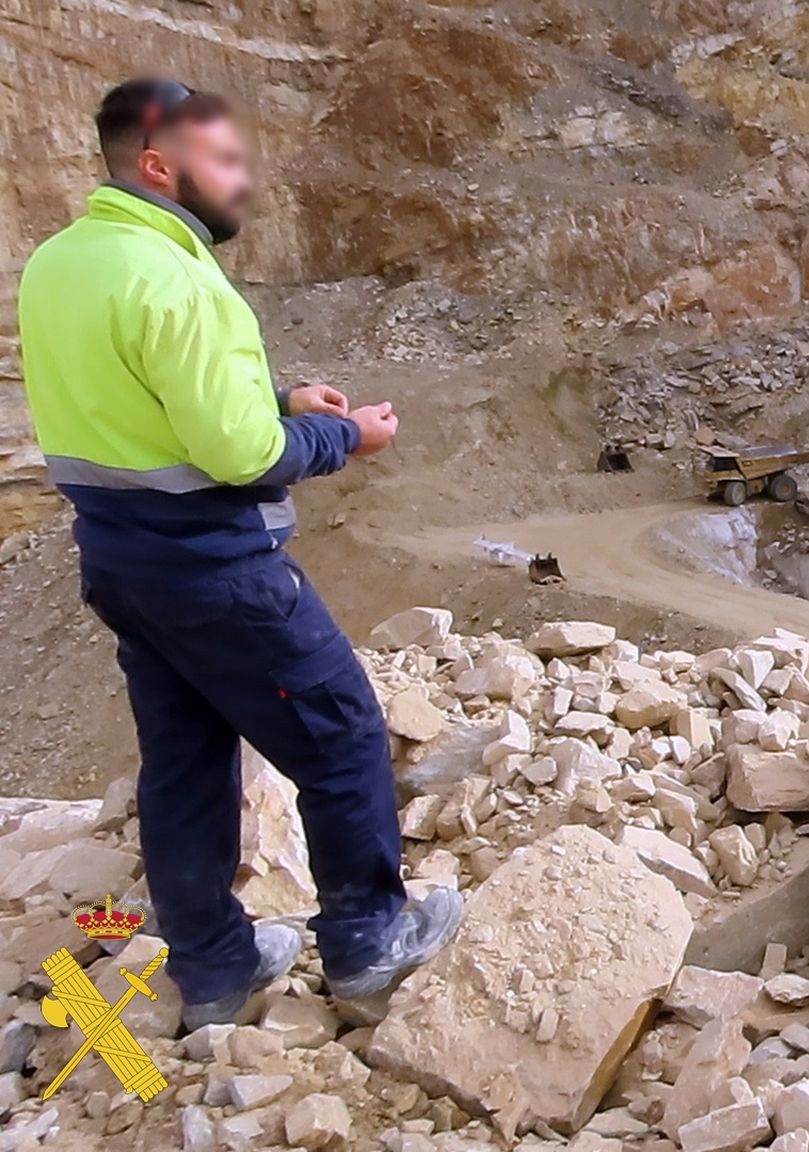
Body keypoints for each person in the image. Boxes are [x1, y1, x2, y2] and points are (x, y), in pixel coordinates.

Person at [18, 78, 463, 1025]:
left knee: (183, 757)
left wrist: (280, 399)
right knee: (340, 732)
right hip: (216, 570)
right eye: (223, 162)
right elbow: (241, 456)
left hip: (119, 560)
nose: (244, 184)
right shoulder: (178, 277)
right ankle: (369, 944)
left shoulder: (59, 263)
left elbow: (151, 408)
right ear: (157, 163)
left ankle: (216, 967)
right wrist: (346, 438)